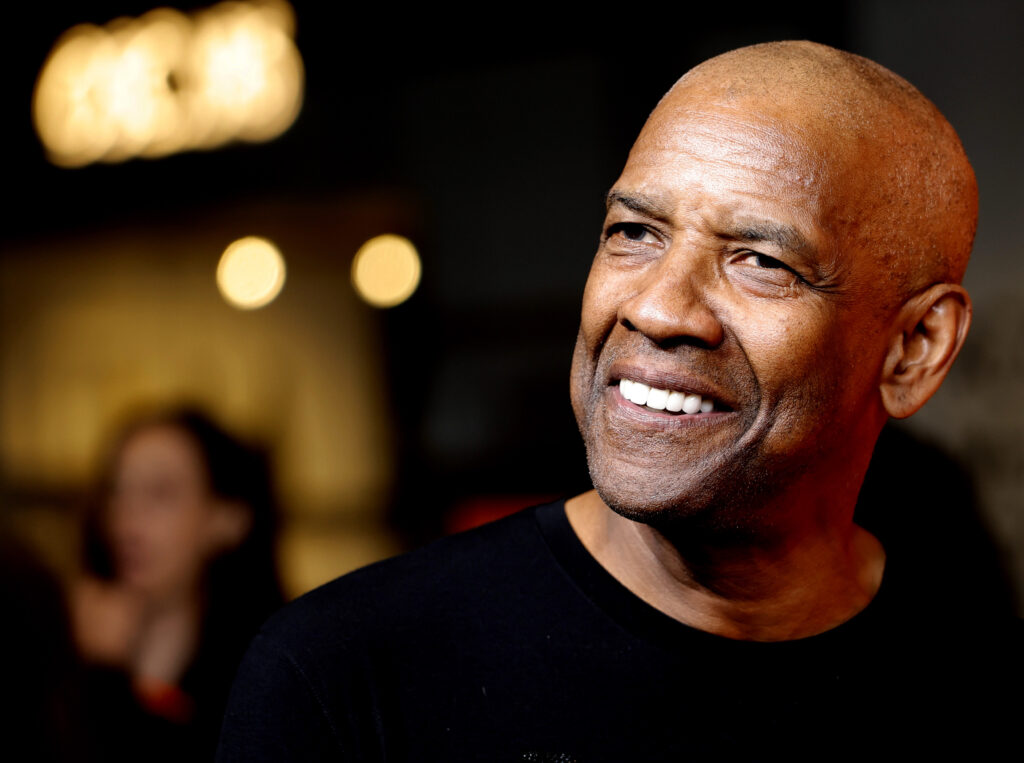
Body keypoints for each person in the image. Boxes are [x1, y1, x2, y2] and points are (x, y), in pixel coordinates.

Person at [217, 41, 1018, 760]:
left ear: (914, 349)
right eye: (634, 232)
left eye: (760, 260)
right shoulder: (345, 678)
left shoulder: (977, 690)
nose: (658, 307)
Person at [74, 408, 284, 761]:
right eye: (116, 491)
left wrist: (107, 686)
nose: (127, 521)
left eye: (161, 493)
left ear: (226, 518)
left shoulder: (262, 678)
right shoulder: (61, 650)